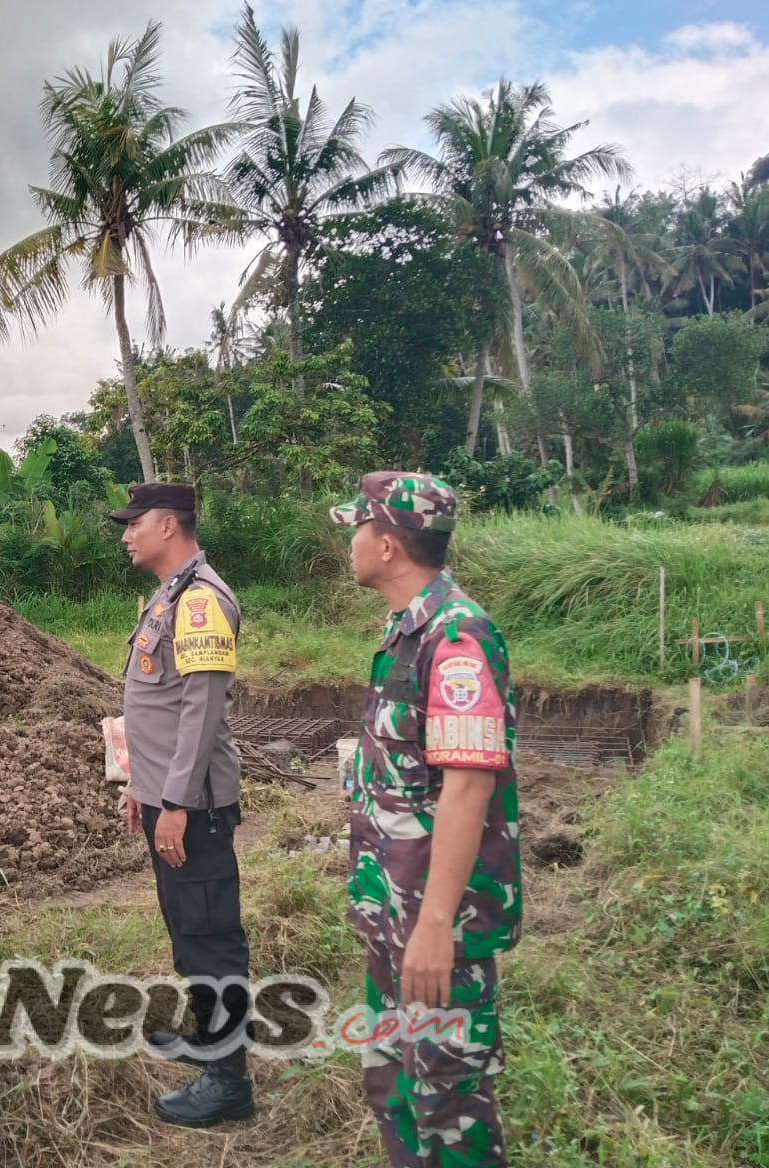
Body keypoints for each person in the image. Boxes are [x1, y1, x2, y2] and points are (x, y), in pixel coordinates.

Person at [331, 472, 522, 1168]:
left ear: (386, 544)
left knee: (447, 1103)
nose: (348, 543)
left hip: (436, 926)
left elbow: (469, 787)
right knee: (394, 1084)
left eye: (356, 529)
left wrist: (436, 925)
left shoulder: (458, 636)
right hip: (393, 914)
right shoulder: (406, 631)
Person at [112, 482, 253, 1129]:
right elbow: (160, 708)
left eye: (133, 523)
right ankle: (210, 1040)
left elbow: (199, 712)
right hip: (168, 799)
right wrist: (143, 792)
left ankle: (229, 1082)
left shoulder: (200, 602)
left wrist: (172, 803)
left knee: (210, 937)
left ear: (168, 525)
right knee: (188, 933)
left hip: (191, 807)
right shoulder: (173, 597)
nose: (125, 534)